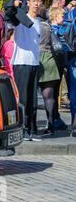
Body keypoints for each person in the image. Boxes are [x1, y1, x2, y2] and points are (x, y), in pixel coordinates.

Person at [8, 0, 43, 141]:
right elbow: (9, 14)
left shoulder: (39, 21)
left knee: (33, 99)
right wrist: (14, 3)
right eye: (33, 1)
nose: (36, 4)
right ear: (28, 3)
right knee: (23, 98)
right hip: (21, 62)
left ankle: (32, 129)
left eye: (38, 1)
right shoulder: (21, 18)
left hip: (34, 62)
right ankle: (23, 129)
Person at [39, 7, 67, 135]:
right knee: (50, 95)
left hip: (38, 60)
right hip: (50, 61)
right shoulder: (51, 28)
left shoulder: (39, 26)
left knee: (46, 95)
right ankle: (51, 123)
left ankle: (33, 126)